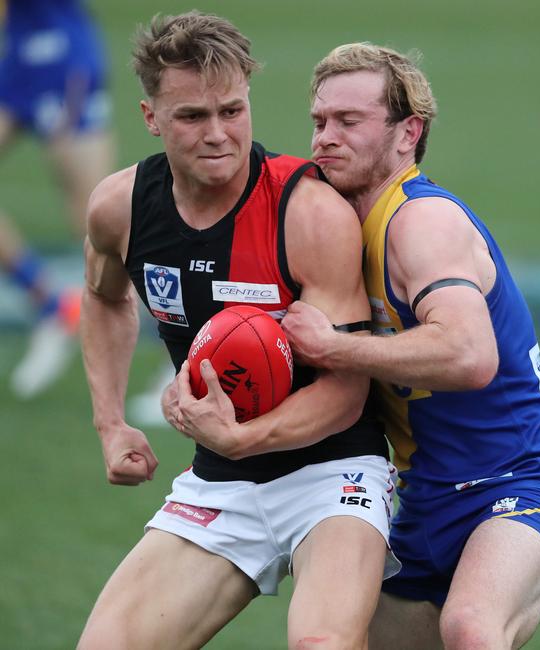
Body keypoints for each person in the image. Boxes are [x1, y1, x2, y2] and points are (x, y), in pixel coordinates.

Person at [78, 13, 398, 650]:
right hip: (219, 480)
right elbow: (103, 298)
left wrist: (243, 436)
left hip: (334, 475)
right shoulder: (121, 208)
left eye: (232, 110)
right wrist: (112, 422)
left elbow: (348, 391)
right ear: (150, 117)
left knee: (324, 644)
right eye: (193, 116)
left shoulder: (306, 212)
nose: (218, 134)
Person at [281, 43, 540, 649]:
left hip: (516, 484)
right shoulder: (331, 226)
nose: (325, 138)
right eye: (319, 122)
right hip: (418, 501)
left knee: (471, 629)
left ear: (408, 132)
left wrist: (334, 348)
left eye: (349, 121)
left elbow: (469, 356)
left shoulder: (422, 221)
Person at [0, 0, 115, 398]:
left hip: (63, 58)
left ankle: (185, 343)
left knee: (97, 223)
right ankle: (52, 307)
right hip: (17, 58)